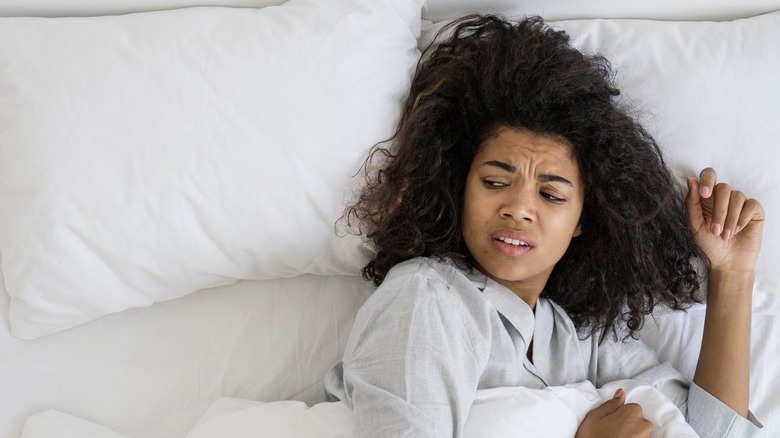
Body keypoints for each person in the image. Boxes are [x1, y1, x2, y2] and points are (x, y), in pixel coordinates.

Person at [324, 14, 764, 438]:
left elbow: (705, 433)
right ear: (459, 187)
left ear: (583, 219)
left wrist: (732, 274)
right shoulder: (425, 300)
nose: (518, 208)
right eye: (496, 182)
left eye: (551, 195)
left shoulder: (579, 337)